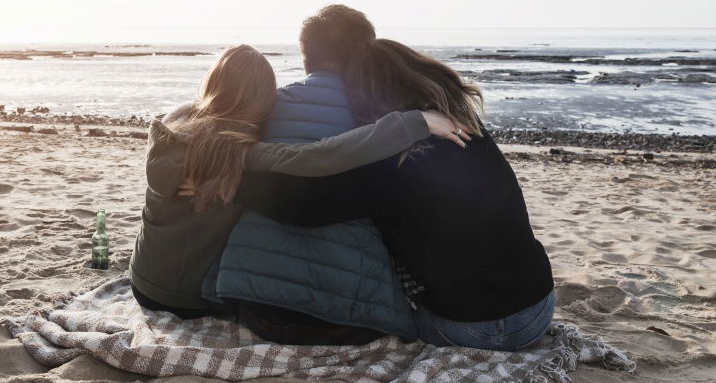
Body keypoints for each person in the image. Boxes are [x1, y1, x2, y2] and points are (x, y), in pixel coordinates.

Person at [233, 38, 556, 352]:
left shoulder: (392, 161)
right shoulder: (462, 125)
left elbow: (306, 209)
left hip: (476, 329)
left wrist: (233, 185)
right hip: (539, 306)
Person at [130, 42, 474, 319]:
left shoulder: (172, 125)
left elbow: (213, 110)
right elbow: (315, 156)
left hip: (141, 279)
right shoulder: (232, 152)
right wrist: (412, 124)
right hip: (182, 300)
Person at [207, 7, 451, 344]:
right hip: (344, 321)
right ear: (367, 54)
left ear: (305, 53)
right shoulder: (379, 118)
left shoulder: (267, 107)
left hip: (252, 307)